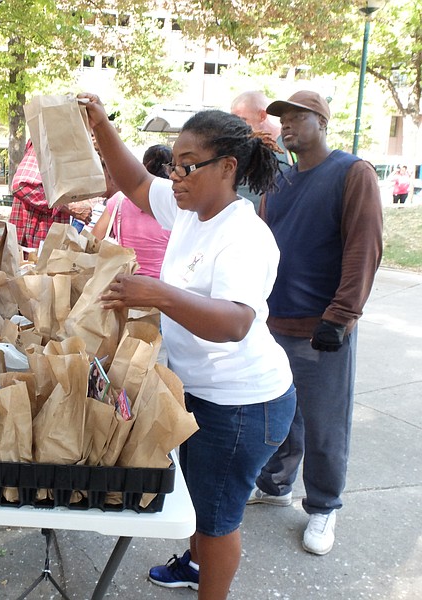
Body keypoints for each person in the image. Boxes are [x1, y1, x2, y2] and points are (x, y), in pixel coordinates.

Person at [80, 93, 296, 600]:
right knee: (203, 499)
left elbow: (236, 322)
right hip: (202, 391)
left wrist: (157, 293)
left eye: (187, 168)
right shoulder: (189, 211)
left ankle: (209, 581)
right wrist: (102, 123)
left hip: (243, 404)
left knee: (218, 516)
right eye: (174, 167)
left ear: (227, 167)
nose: (174, 179)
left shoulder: (244, 235)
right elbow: (135, 182)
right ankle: (194, 564)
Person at [249, 90, 383, 556]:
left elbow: (363, 248)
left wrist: (342, 316)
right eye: (281, 118)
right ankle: (277, 483)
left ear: (322, 122)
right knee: (282, 416)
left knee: (325, 424)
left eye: (297, 117)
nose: (286, 125)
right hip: (273, 322)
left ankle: (323, 506)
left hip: (322, 326)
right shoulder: (278, 182)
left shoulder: (351, 172)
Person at [93, 144, 172, 278]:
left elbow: (94, 239)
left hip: (125, 284)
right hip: (165, 288)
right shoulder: (177, 203)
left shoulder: (120, 200)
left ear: (142, 166)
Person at [9, 140, 92, 251]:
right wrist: (70, 207)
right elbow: (21, 185)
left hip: (45, 245)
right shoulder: (49, 141)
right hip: (36, 248)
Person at [230, 90, 294, 212]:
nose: (236, 126)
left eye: (242, 120)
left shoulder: (289, 145)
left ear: (262, 116)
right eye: (233, 120)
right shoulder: (233, 145)